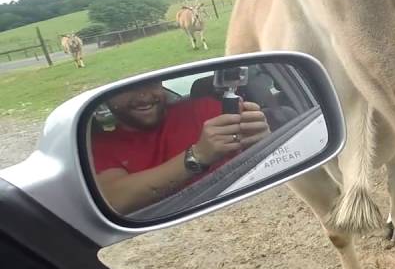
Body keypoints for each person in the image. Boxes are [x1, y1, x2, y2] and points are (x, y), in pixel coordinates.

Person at [91, 80, 269, 215]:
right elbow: (114, 200)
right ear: (107, 97)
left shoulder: (202, 109)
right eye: (126, 89)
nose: (143, 96)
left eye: (150, 83)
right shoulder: (102, 145)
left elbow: (256, 157)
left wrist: (262, 140)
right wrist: (197, 156)